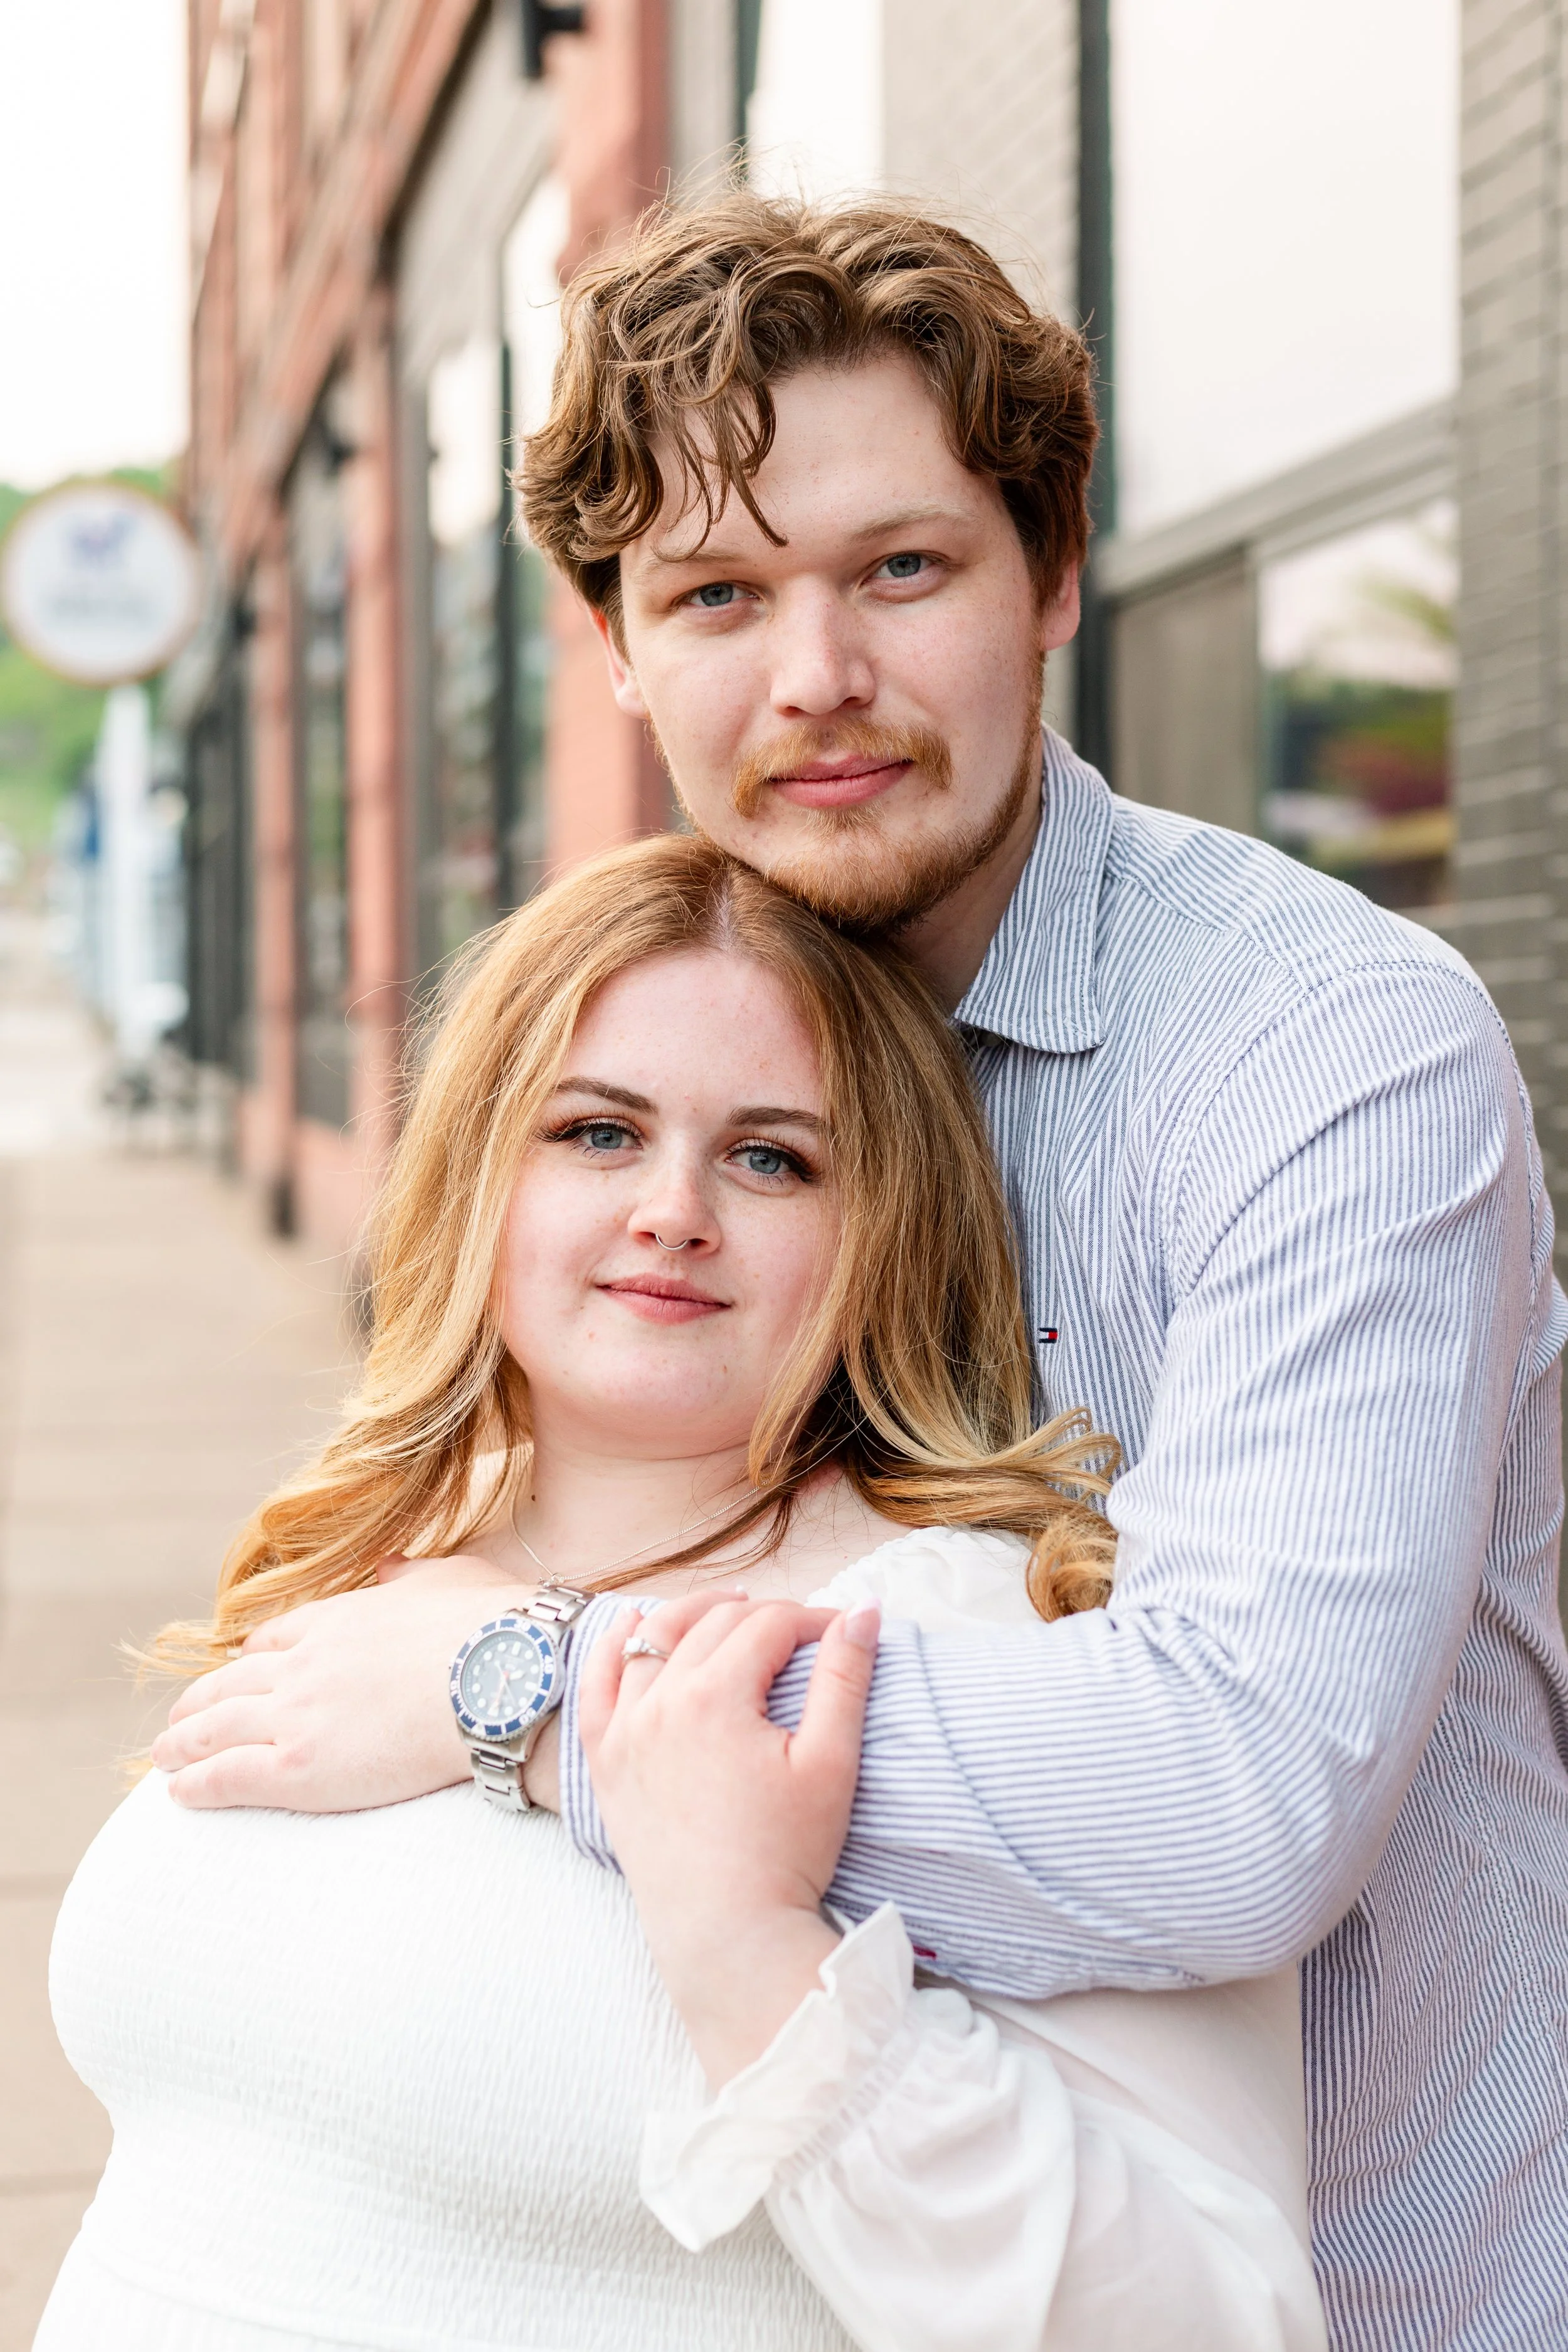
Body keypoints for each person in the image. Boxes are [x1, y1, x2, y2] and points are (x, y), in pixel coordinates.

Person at [151, 196, 1568, 2350]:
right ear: (614, 643)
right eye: (717, 593)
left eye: (901, 570)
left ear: (1055, 576)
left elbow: (1237, 1801)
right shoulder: (668, 1028)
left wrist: (515, 1693)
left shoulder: (1323, 1049)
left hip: (1376, 2278)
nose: (815, 680)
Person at [41, 837, 1325, 2351]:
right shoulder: (376, 1564)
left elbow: (1212, 2320)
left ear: (882, 1231)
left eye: (771, 1156)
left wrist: (750, 1949)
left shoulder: (934, 1639)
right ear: (479, 1169)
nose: (673, 1210)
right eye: (596, 1132)